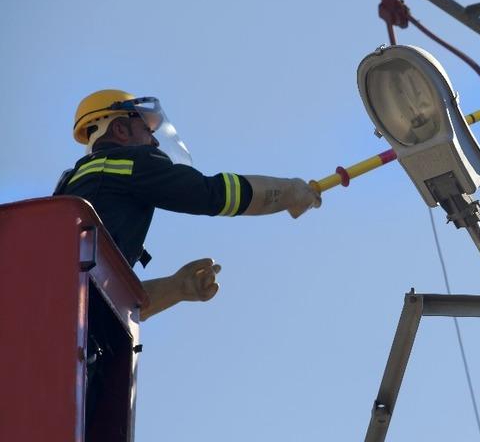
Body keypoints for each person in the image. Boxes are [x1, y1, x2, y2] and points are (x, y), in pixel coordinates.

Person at [55, 89, 321, 320]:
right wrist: (289, 193)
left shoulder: (78, 183)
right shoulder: (128, 165)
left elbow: (106, 297)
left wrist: (177, 287)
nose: (155, 141)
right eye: (147, 130)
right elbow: (214, 194)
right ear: (121, 130)